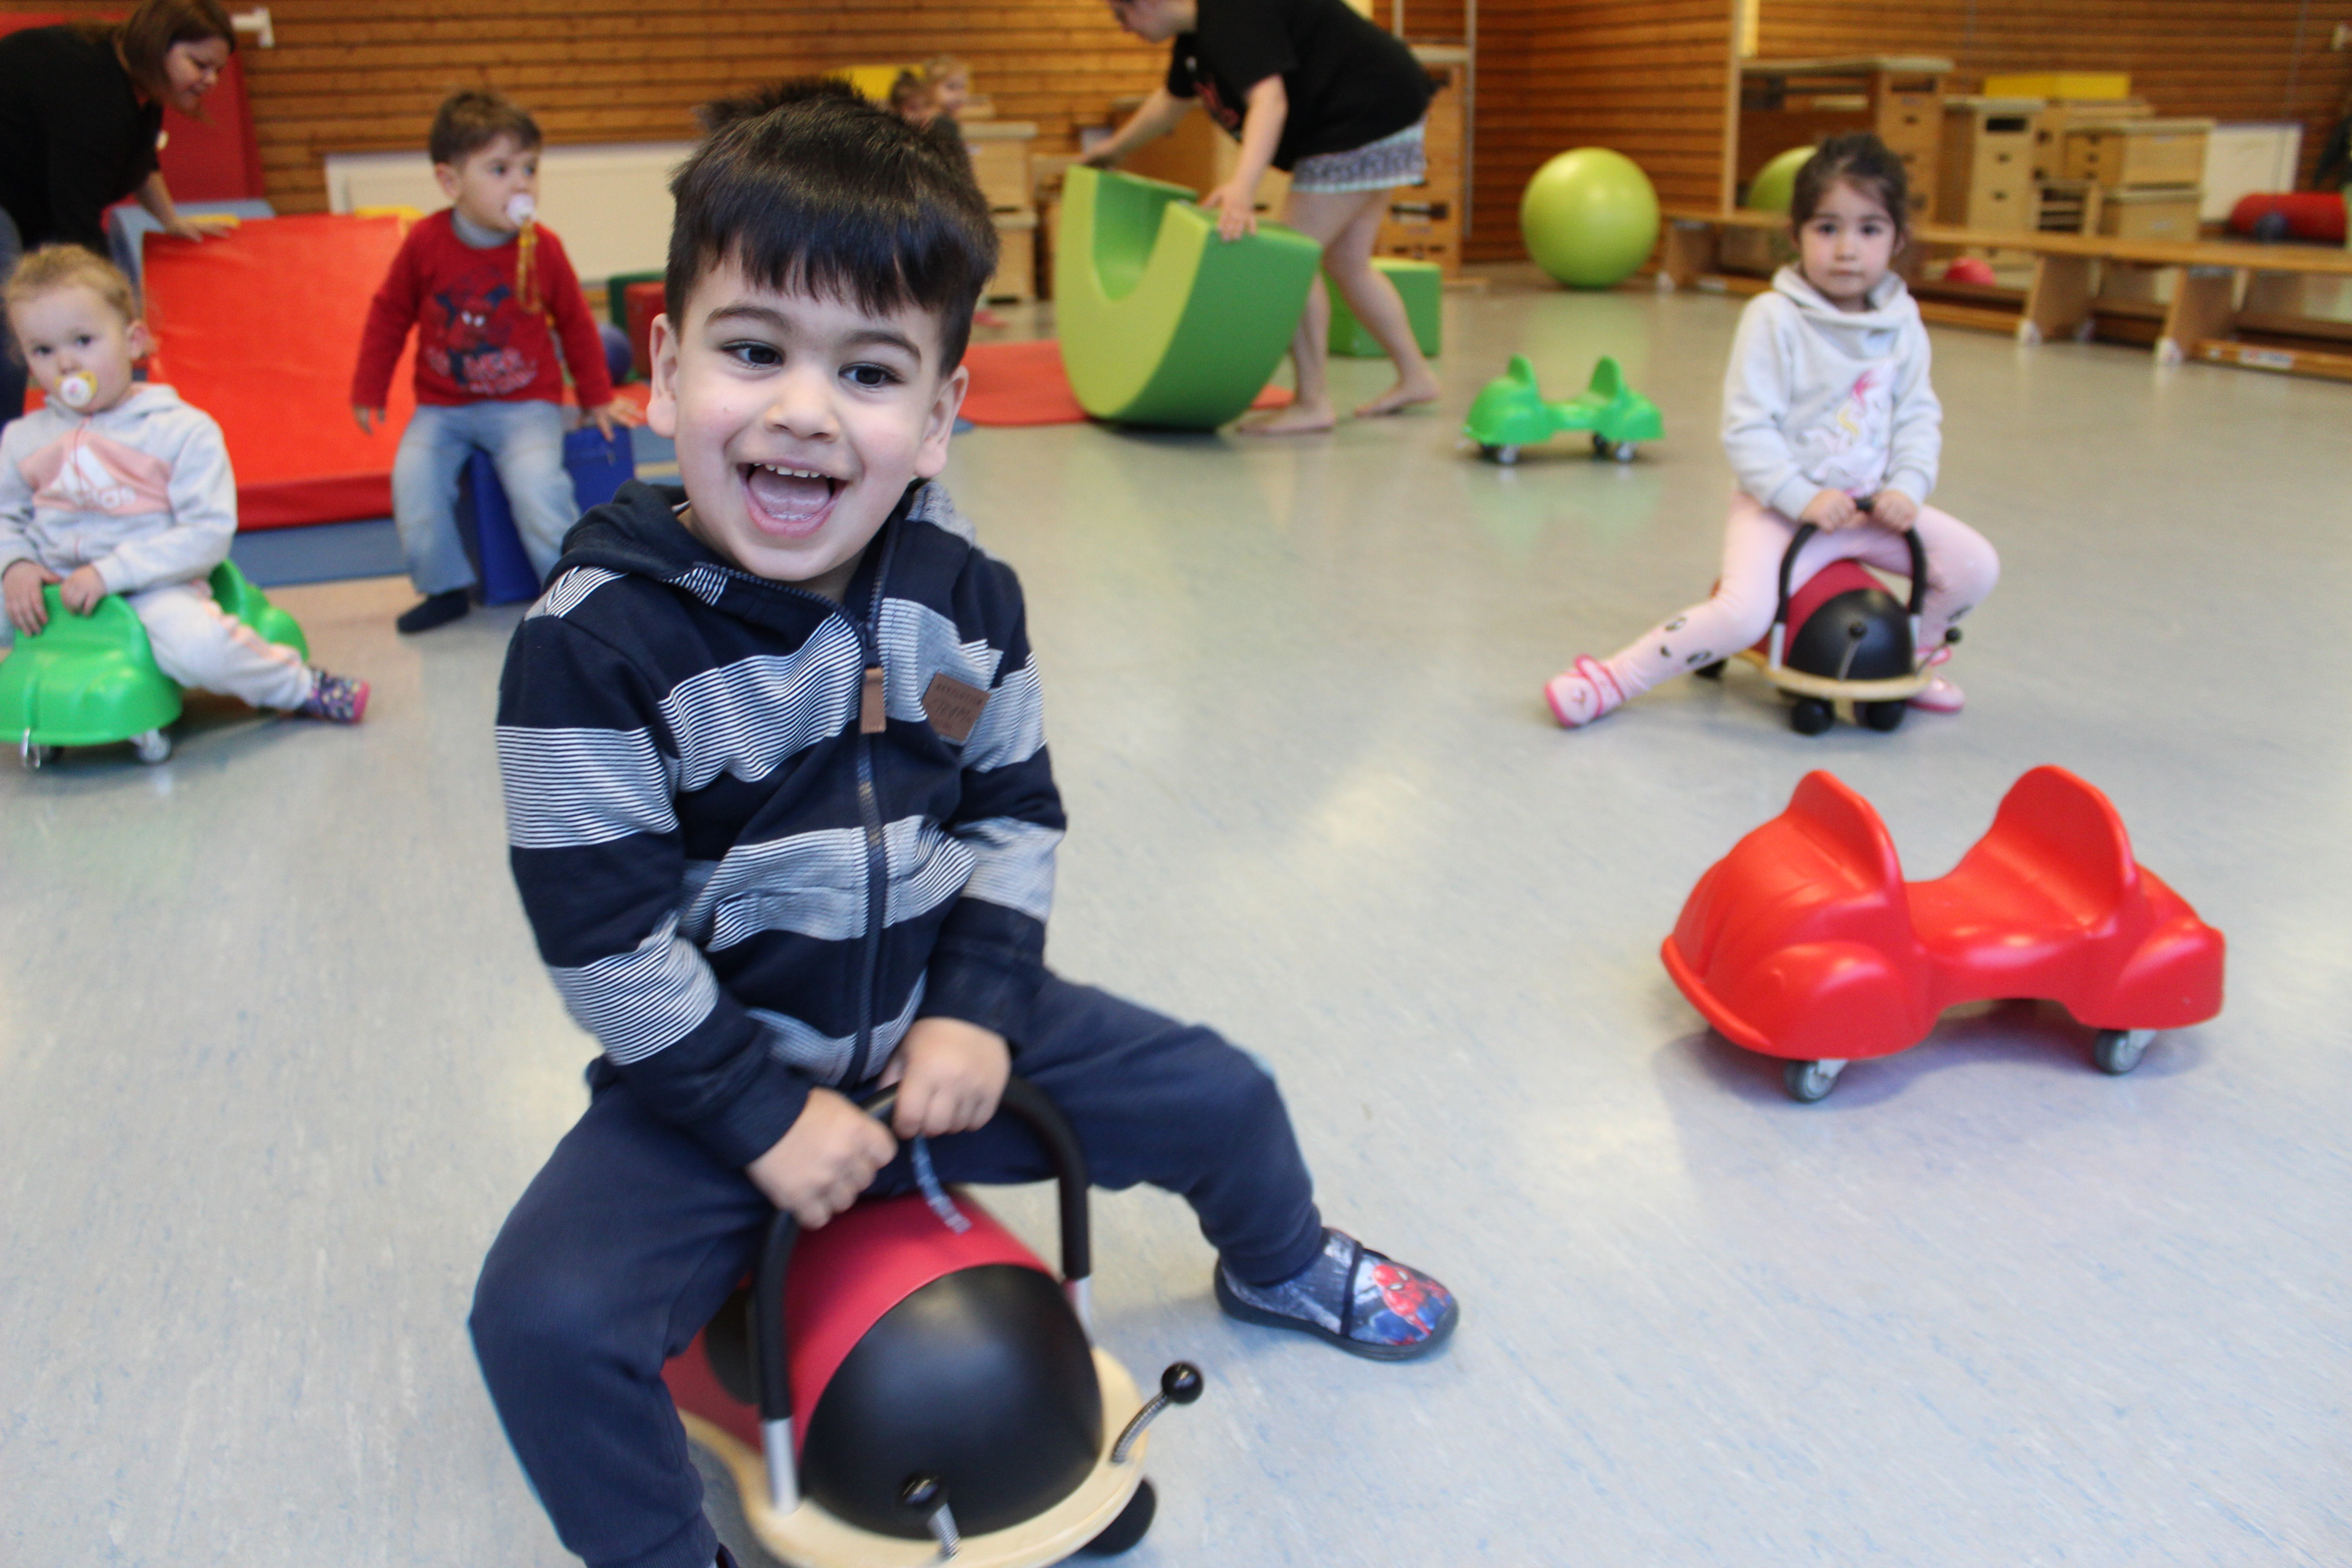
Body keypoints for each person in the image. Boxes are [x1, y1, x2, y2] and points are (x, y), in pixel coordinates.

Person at [469, 92, 1457, 1568]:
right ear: (662, 371)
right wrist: (755, 1114)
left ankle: (1282, 1262)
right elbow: (600, 932)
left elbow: (1011, 809)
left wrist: (982, 1010)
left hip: (943, 1026)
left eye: (868, 372)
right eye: (753, 351)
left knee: (1223, 1092)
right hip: (720, 1079)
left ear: (937, 419)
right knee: (536, 1323)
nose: (804, 410)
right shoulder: (589, 643)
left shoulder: (965, 594)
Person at [1543, 134, 2000, 729]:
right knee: (1741, 616)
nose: (1846, 250)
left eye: (1869, 230)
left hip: (1870, 513)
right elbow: (1747, 430)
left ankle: (1910, 660)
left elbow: (1918, 414)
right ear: (1796, 235)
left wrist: (1908, 489)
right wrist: (1802, 498)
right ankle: (1612, 678)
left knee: (1975, 566)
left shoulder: (1902, 321)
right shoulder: (1774, 318)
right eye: (1827, 228)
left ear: (1899, 239)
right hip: (1778, 512)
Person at [0, 245, 368, 723]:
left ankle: (299, 686)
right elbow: (7, 516)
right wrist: (16, 566)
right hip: (52, 588)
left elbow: (206, 534)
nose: (65, 364)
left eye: (84, 341)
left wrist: (112, 573)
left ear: (133, 341)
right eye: (43, 351)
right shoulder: (22, 439)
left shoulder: (180, 430)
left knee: (200, 649)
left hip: (150, 587)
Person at [349, 89, 639, 636]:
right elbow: (389, 314)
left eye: (530, 168)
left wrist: (596, 398)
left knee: (539, 488)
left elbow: (577, 322)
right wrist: (370, 387)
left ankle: (566, 592)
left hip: (524, 404)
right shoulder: (426, 244)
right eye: (501, 170)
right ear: (451, 182)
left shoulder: (542, 247)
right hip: (444, 406)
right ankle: (444, 588)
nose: (522, 183)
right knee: (414, 484)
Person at [1084, 0, 1439, 433]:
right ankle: (1416, 375)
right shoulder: (1196, 40)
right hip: (1386, 105)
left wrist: (1242, 188)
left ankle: (1313, 402)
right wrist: (1113, 149)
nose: (1124, 29)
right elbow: (1171, 103)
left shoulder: (1231, 14)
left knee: (1287, 263)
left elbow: (1269, 101)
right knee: (1348, 262)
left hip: (1363, 111)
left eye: (1123, 15)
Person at [0, 0, 241, 423]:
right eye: (199, 64)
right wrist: (117, 312)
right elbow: (76, 222)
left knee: (81, 306)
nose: (210, 80)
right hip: (17, 200)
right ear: (157, 46)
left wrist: (170, 220)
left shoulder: (137, 84)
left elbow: (140, 158)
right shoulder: (94, 93)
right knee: (12, 323)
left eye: (218, 70)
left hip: (23, 197)